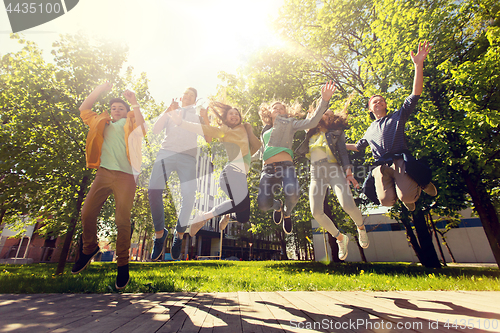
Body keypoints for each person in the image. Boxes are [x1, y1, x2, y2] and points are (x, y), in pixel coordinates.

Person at [346, 41, 436, 212]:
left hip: (399, 161)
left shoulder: (397, 116)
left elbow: (415, 93)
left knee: (407, 196)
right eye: (374, 101)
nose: (378, 102)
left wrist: (418, 65)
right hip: (381, 166)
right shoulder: (370, 129)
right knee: (386, 201)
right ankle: (403, 193)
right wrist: (337, 144)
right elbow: (358, 146)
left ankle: (419, 185)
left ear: (385, 105)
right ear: (370, 108)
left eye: (381, 100)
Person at [72, 82, 145, 290]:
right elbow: (84, 109)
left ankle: (122, 264)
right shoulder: (100, 122)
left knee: (122, 220)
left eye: (121, 108)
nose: (116, 110)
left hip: (126, 177)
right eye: (113, 108)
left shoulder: (131, 122)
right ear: (109, 111)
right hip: (103, 173)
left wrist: (133, 102)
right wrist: (99, 90)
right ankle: (89, 248)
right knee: (87, 213)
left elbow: (142, 126)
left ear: (126, 111)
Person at [167, 101, 262, 235]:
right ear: (225, 118)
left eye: (237, 114)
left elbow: (257, 146)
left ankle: (226, 215)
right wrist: (181, 123)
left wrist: (249, 131)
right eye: (231, 114)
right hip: (231, 174)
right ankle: (204, 217)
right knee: (240, 204)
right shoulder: (224, 130)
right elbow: (206, 129)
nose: (234, 115)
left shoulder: (244, 129)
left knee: (243, 216)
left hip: (239, 176)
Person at [257, 81, 336, 234]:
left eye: (282, 108)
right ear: (269, 113)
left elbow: (312, 122)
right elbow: (261, 151)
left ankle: (287, 213)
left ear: (286, 113)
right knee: (263, 204)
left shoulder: (290, 123)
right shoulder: (265, 130)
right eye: (275, 108)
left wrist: (324, 101)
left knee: (293, 195)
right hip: (267, 169)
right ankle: (278, 206)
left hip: (286, 166)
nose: (279, 109)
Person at [296, 98, 368, 260]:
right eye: (323, 113)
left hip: (334, 170)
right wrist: (312, 115)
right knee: (316, 212)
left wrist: (348, 173)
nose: (325, 116)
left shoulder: (337, 133)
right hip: (316, 173)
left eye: (329, 115)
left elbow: (343, 153)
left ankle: (361, 227)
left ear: (333, 119)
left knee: (347, 205)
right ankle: (340, 238)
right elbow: (307, 124)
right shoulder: (310, 132)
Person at [148, 87, 203, 261]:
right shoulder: (171, 112)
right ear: (181, 97)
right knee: (153, 190)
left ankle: (179, 235)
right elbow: (156, 130)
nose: (187, 97)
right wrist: (167, 110)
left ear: (195, 100)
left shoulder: (197, 115)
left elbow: (205, 132)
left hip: (188, 157)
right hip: (166, 153)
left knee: (188, 196)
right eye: (185, 94)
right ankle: (159, 234)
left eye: (191, 95)